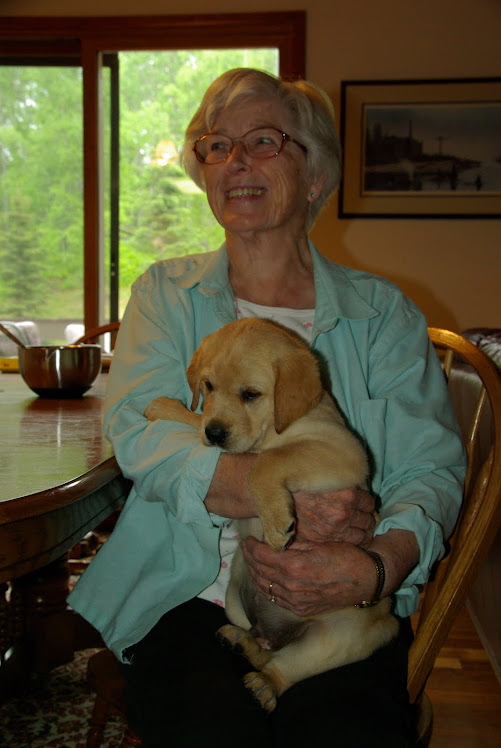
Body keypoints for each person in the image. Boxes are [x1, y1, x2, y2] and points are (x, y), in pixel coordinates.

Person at [68, 68, 466, 747]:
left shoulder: (382, 315)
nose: (235, 161)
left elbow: (428, 472)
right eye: (216, 146)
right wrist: (264, 488)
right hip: (190, 596)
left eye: (262, 141)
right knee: (211, 728)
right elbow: (138, 430)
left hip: (339, 597)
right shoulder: (167, 293)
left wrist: (375, 565)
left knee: (346, 734)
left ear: (314, 176)